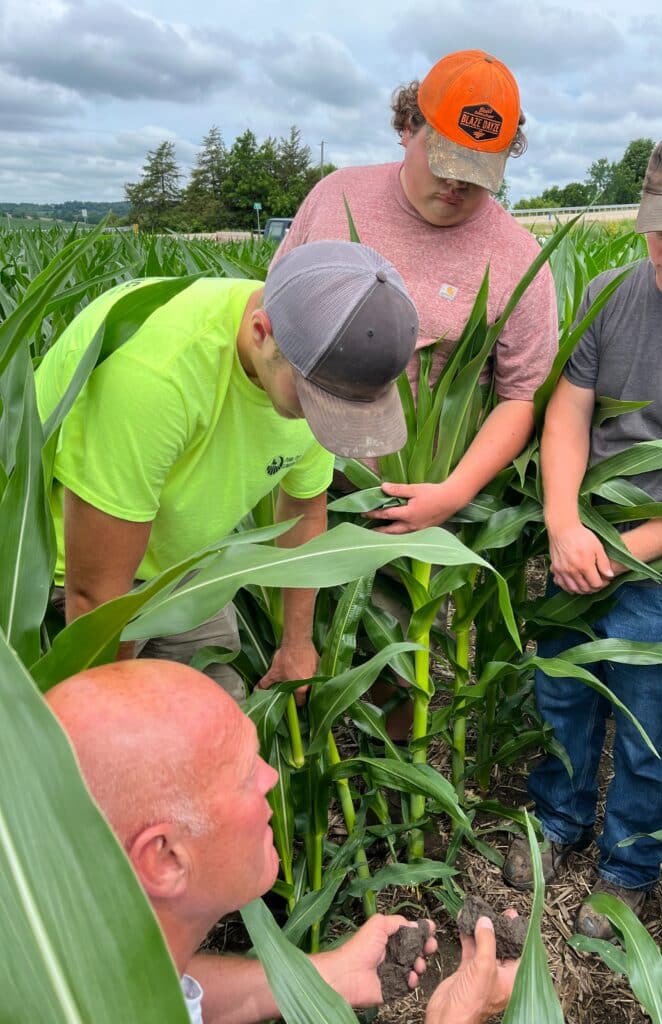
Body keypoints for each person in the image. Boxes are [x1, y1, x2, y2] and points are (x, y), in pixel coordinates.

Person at [503, 122, 662, 940]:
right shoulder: (612, 290)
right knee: (563, 692)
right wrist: (562, 523)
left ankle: (626, 870)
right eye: (660, 226)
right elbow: (568, 415)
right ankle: (557, 819)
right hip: (581, 534)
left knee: (653, 723)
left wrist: (615, 555)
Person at [36, 240, 418, 701]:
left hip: (185, 561)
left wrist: (297, 642)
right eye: (315, 402)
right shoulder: (157, 374)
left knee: (219, 714)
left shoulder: (318, 357)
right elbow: (94, 599)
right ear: (260, 332)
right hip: (63, 570)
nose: (322, 422)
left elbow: (302, 509)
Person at [46, 658, 520, 1023]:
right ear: (165, 859)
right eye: (245, 774)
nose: (272, 777)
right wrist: (458, 1015)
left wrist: (328, 975)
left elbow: (158, 987)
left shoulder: (60, 968)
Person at [275, 48, 558, 534]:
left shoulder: (519, 259)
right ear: (408, 127)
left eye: (476, 172)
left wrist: (453, 494)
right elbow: (272, 314)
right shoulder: (334, 197)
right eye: (444, 158)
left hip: (413, 504)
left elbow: (521, 396)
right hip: (296, 481)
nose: (455, 185)